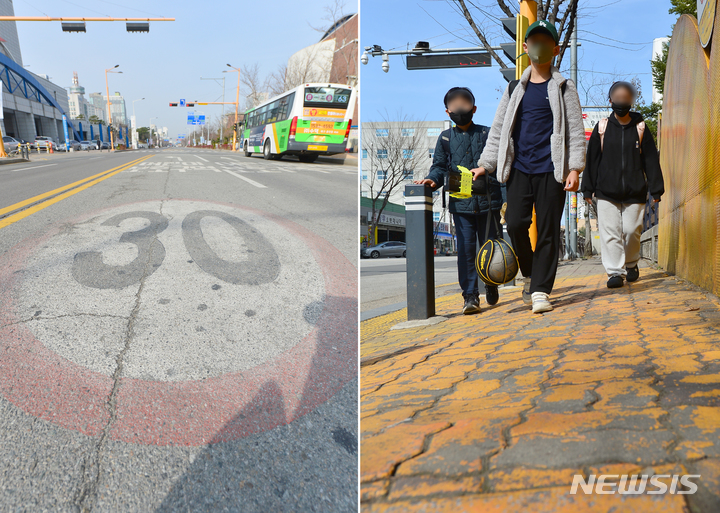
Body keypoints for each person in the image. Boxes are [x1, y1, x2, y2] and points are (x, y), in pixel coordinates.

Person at [472, 20, 586, 314]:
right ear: (525, 47)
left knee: (548, 229)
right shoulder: (514, 89)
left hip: (552, 169)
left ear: (556, 48)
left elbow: (574, 129)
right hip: (519, 168)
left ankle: (540, 291)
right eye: (534, 40)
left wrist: (575, 169)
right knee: (518, 223)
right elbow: (499, 130)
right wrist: (485, 164)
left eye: (546, 41)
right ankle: (530, 273)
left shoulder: (564, 87)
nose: (539, 46)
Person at [414, 87, 503, 315]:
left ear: (474, 109)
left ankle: (491, 283)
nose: (460, 108)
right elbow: (439, 167)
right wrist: (432, 181)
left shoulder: (487, 134)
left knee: (489, 248)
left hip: (488, 201)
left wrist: (504, 200)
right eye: (455, 105)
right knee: (465, 251)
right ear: (447, 111)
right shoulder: (445, 138)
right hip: (460, 202)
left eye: (465, 104)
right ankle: (470, 297)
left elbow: (500, 164)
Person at [580, 81, 664, 288]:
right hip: (606, 191)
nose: (621, 101)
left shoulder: (640, 128)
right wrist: (587, 189)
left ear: (631, 100)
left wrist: (656, 188)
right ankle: (615, 273)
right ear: (610, 101)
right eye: (617, 98)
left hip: (635, 191)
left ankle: (631, 263)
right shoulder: (602, 128)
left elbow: (651, 160)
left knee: (631, 230)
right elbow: (592, 160)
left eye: (625, 98)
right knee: (611, 232)